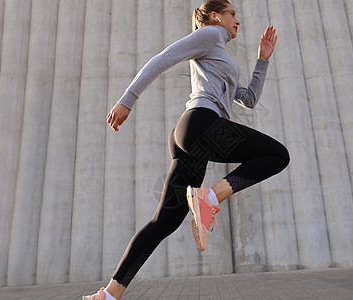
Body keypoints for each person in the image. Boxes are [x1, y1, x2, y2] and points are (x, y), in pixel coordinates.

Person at [83, 0, 289, 299]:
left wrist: (263, 60)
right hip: (201, 125)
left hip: (193, 135)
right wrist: (127, 100)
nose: (237, 21)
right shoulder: (210, 34)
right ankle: (209, 197)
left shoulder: (218, 52)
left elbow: (248, 98)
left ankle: (109, 294)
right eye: (232, 14)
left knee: (164, 221)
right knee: (277, 155)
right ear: (215, 16)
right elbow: (162, 59)